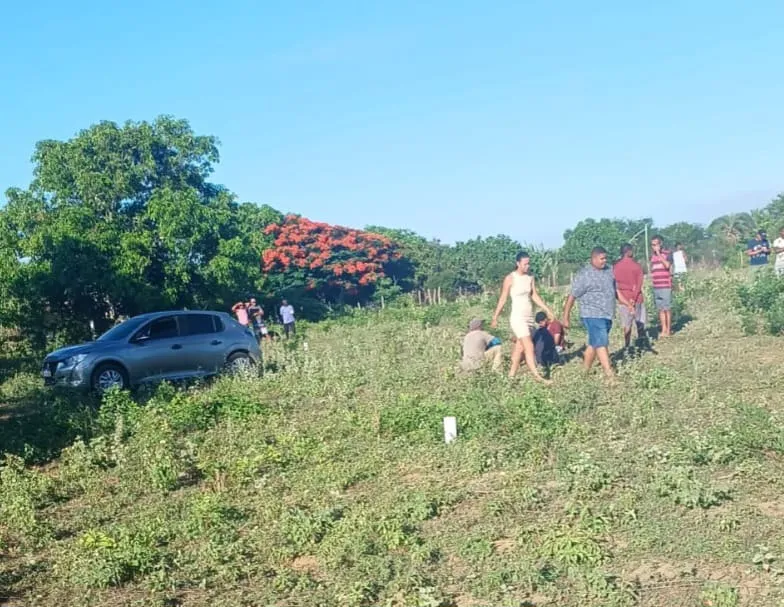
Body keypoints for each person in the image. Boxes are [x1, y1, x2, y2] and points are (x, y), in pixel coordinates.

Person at [563, 247, 634, 379]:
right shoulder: (584, 275)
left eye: (605, 258)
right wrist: (566, 316)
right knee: (601, 342)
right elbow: (572, 296)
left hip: (607, 314)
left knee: (594, 343)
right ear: (593, 259)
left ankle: (584, 371)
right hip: (591, 314)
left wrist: (627, 304)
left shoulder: (609, 271)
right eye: (602, 258)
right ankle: (610, 374)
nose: (604, 261)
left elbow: (615, 291)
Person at [491, 251, 556, 383]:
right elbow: (503, 298)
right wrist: (495, 317)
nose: (528, 266)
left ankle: (510, 377)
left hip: (529, 316)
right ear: (518, 263)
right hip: (517, 317)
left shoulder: (530, 277)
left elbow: (534, 295)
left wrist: (547, 309)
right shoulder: (510, 278)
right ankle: (538, 377)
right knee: (529, 346)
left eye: (528, 263)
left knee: (520, 347)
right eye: (525, 264)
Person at [613, 243, 646, 349]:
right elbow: (639, 284)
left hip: (623, 298)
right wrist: (634, 298)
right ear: (629, 252)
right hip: (636, 298)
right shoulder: (636, 266)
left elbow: (614, 285)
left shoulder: (616, 267)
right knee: (639, 321)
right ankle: (641, 343)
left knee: (626, 324)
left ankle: (627, 345)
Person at [650, 235, 673, 338]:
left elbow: (667, 266)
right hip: (656, 285)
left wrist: (659, 254)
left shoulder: (667, 254)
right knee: (660, 309)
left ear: (660, 244)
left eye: (656, 244)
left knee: (667, 308)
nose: (654, 247)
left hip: (665, 285)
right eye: (653, 245)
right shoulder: (652, 257)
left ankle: (668, 329)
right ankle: (663, 328)